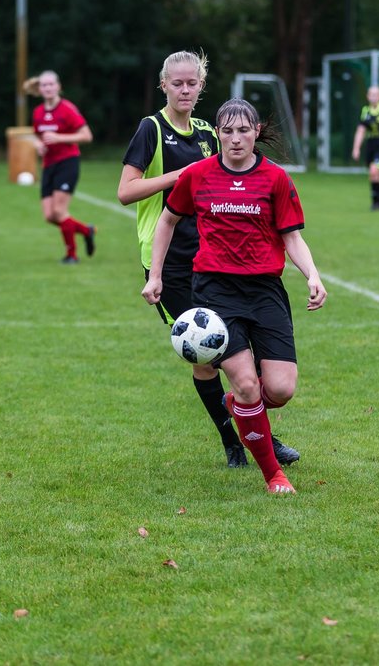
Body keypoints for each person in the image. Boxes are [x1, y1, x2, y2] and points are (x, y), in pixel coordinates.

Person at [118, 52, 299, 470]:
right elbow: (126, 191)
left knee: (235, 357)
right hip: (169, 259)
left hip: (212, 257)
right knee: (209, 353)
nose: (184, 90)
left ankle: (250, 435)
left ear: (201, 87)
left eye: (192, 83)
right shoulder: (152, 129)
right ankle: (235, 442)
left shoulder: (206, 131)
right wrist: (179, 177)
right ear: (163, 85)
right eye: (176, 83)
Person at [142, 98, 327, 494]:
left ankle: (239, 407)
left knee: (279, 389)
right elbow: (167, 220)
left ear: (256, 131)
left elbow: (292, 237)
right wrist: (155, 275)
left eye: (243, 130)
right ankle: (274, 475)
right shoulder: (199, 174)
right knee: (247, 384)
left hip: (264, 291)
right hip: (215, 293)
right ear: (219, 134)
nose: (235, 138)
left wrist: (312, 275)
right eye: (227, 131)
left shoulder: (276, 179)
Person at [31, 70, 96, 264]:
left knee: (59, 211)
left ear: (58, 87)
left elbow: (87, 135)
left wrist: (60, 137)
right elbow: (38, 137)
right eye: (44, 85)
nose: (48, 88)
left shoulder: (67, 109)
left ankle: (71, 255)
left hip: (68, 162)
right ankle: (86, 231)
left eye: (51, 84)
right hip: (48, 165)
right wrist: (39, 146)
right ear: (39, 88)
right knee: (50, 216)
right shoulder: (38, 112)